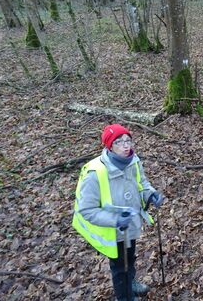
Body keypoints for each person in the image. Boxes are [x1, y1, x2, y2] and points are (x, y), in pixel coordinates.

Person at [73, 124, 165, 301]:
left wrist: (150, 195)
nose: (125, 146)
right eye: (119, 142)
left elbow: (142, 184)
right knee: (119, 267)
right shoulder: (95, 173)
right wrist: (115, 220)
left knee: (129, 258)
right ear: (109, 146)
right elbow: (86, 209)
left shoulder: (134, 161)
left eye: (128, 141)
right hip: (112, 230)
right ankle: (124, 297)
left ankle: (130, 282)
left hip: (129, 225)